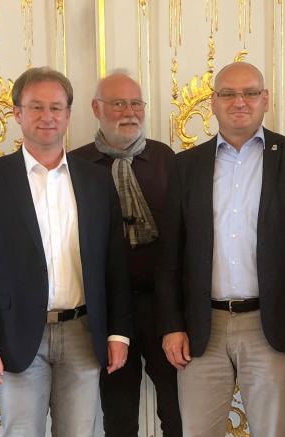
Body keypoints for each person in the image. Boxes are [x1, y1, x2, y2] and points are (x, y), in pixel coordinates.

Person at [0, 66, 132, 437]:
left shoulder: (96, 180)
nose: (47, 116)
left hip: (84, 333)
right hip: (15, 336)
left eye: (56, 107)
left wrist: (118, 333)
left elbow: (114, 265)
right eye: (35, 107)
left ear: (69, 114)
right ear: (17, 113)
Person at [157, 61, 285, 437]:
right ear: (214, 102)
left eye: (250, 93)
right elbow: (169, 257)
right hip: (203, 328)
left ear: (265, 99)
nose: (240, 102)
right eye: (228, 94)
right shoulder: (186, 165)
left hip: (272, 326)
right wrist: (172, 325)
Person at [70, 71, 181, 437]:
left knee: (176, 410)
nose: (129, 112)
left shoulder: (165, 159)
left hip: (164, 308)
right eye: (118, 104)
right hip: (107, 311)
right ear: (96, 109)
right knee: (118, 416)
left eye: (136, 103)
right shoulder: (76, 167)